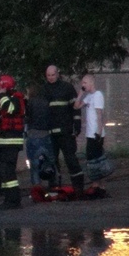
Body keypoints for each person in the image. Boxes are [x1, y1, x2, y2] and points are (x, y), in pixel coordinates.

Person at [42, 65, 85, 197]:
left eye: (52, 75)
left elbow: (76, 107)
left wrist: (77, 125)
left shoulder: (67, 88)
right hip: (50, 132)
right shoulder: (43, 90)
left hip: (66, 131)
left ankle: (78, 187)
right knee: (52, 161)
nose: (50, 78)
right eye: (48, 75)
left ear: (58, 74)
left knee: (71, 159)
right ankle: (54, 187)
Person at [0, 75, 26, 210]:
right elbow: (0, 115)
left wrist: (2, 96)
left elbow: (10, 109)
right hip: (4, 140)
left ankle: (14, 200)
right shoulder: (6, 99)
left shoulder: (15, 98)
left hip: (11, 141)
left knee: (8, 171)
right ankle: (8, 198)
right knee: (2, 171)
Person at [74, 74, 106, 188]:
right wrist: (80, 94)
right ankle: (97, 183)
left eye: (85, 83)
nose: (83, 85)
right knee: (91, 158)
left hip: (95, 134)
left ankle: (98, 184)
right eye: (82, 83)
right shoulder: (89, 97)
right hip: (89, 134)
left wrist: (99, 132)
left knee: (94, 159)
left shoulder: (97, 95)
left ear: (91, 83)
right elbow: (76, 106)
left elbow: (99, 115)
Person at [25, 84, 58, 189]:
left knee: (34, 164)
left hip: (33, 134)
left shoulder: (30, 102)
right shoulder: (46, 102)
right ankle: (54, 185)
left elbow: (27, 118)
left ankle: (37, 187)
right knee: (50, 162)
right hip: (46, 134)